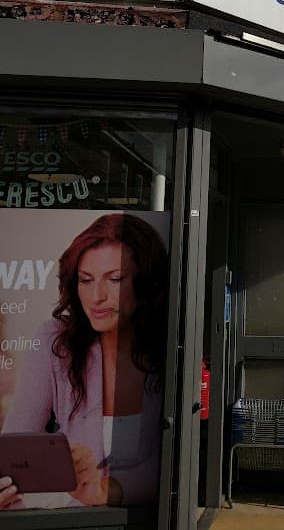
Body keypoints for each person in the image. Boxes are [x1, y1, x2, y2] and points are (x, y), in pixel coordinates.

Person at [0, 213, 168, 510]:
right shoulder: (57, 339)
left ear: (146, 283)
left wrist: (106, 490)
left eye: (115, 279)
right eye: (85, 280)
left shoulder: (171, 345)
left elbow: (178, 468)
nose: (96, 296)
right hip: (71, 517)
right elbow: (14, 448)